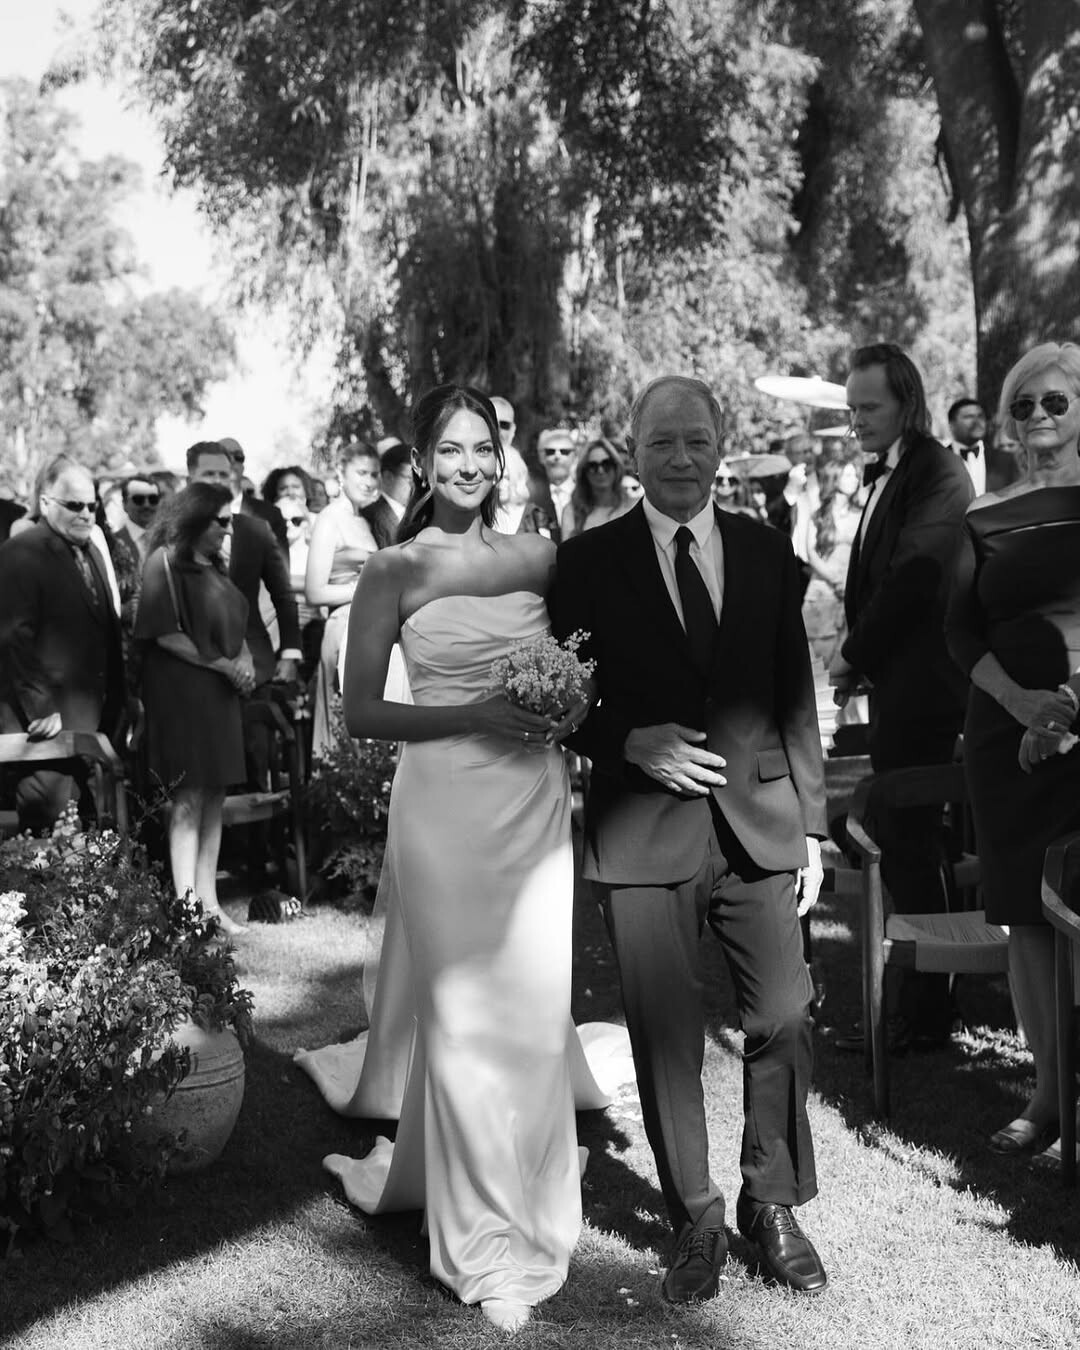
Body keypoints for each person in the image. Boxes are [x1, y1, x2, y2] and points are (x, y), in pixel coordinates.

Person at [294, 384, 632, 1334]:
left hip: (533, 802)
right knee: (462, 1013)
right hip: (442, 805)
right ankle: (482, 1237)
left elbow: (588, 665)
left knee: (530, 1002)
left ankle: (532, 1189)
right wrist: (475, 713)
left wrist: (570, 705)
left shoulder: (540, 555)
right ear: (423, 460)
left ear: (502, 456)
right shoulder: (393, 569)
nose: (469, 466)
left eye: (482, 447)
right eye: (450, 450)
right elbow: (363, 712)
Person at [550, 374, 829, 1302]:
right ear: (633, 451)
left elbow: (794, 693)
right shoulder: (586, 563)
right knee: (666, 1036)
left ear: (720, 447)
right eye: (661, 441)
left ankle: (771, 1200)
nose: (680, 457)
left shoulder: (766, 551)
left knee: (783, 1011)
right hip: (642, 828)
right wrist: (628, 741)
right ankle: (696, 1218)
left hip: (760, 825)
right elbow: (564, 698)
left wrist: (813, 827)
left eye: (696, 440)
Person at [946, 342, 1080, 1169]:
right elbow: (960, 632)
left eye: (1056, 401)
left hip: (1076, 728)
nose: (1038, 416)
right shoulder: (984, 512)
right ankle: (1047, 1097)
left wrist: (1065, 708)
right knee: (1026, 919)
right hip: (1004, 737)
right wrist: (1022, 706)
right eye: (1024, 404)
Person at [829, 342, 973, 1053]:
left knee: (911, 839)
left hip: (928, 689)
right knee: (903, 839)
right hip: (898, 686)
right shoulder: (889, 471)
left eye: (869, 406)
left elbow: (915, 576)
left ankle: (929, 1009)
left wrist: (853, 654)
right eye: (851, 407)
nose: (856, 419)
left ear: (907, 403)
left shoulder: (937, 471)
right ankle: (925, 1004)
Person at [136, 483, 254, 935]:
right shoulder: (164, 562)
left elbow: (238, 629)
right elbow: (166, 635)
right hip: (183, 694)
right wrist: (223, 664)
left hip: (221, 695)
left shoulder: (217, 567)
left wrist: (244, 661)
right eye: (221, 521)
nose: (228, 530)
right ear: (196, 519)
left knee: (215, 796)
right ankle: (187, 907)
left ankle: (210, 903)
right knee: (188, 796)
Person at [0, 456, 124, 832]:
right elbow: (13, 637)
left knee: (94, 841)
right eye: (74, 505)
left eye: (92, 505)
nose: (86, 514)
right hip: (45, 734)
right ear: (45, 502)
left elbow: (107, 632)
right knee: (52, 845)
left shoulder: (92, 553)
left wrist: (123, 698)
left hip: (95, 725)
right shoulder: (20, 553)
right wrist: (41, 709)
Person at [305, 441, 380, 757]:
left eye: (374, 474)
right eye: (361, 473)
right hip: (343, 626)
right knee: (343, 727)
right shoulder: (329, 518)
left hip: (370, 628)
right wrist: (365, 591)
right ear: (341, 472)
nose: (369, 481)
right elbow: (314, 591)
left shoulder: (364, 520)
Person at [802, 459, 863, 665]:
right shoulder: (819, 514)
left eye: (855, 475)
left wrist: (848, 582)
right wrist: (836, 579)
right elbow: (811, 552)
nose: (855, 479)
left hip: (852, 594)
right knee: (820, 664)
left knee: (848, 664)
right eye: (848, 475)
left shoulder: (861, 512)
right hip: (822, 595)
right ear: (835, 479)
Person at [560, 437, 631, 538]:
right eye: (593, 466)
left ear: (616, 467)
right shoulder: (572, 511)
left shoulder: (632, 506)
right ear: (584, 472)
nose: (600, 470)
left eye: (606, 464)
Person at [947, 397, 988, 497]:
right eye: (969, 417)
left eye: (980, 416)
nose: (977, 421)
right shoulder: (938, 462)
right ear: (952, 425)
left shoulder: (1006, 460)